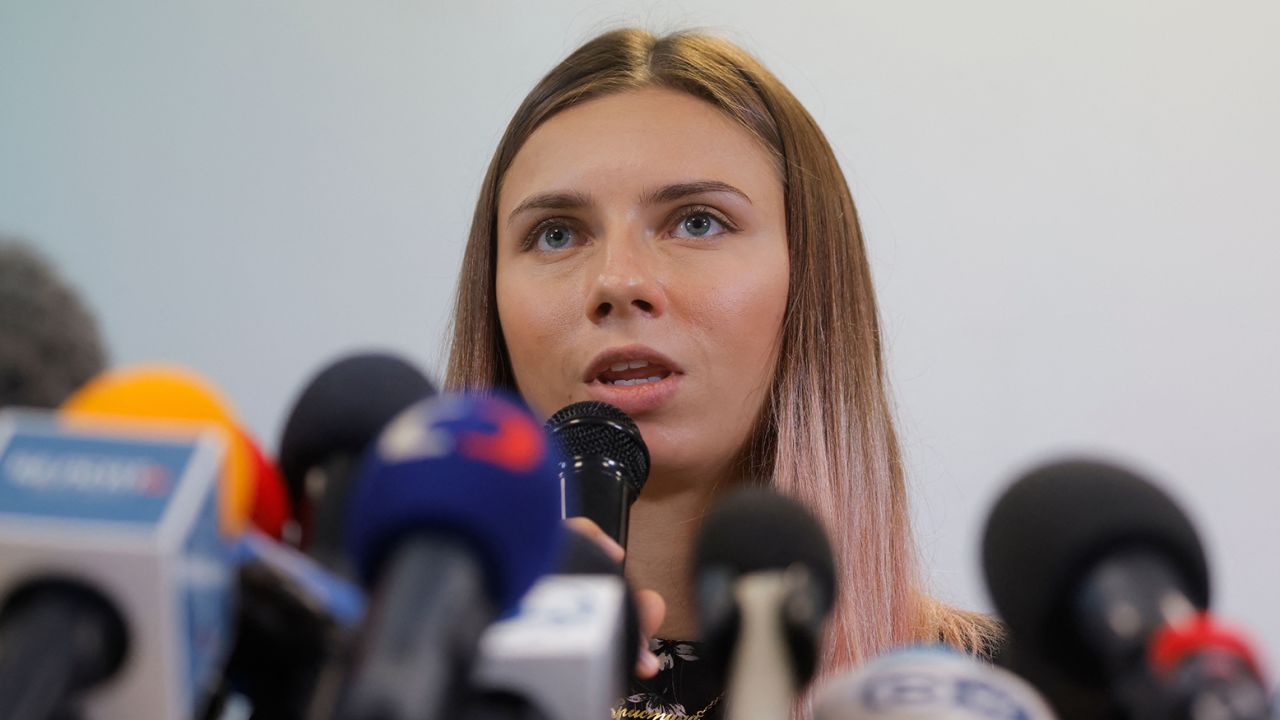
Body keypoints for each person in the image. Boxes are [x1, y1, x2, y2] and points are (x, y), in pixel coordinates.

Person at [445, 28, 1000, 719]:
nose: (617, 281)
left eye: (698, 222)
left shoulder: (996, 700)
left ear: (811, 287)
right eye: (557, 233)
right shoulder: (383, 684)